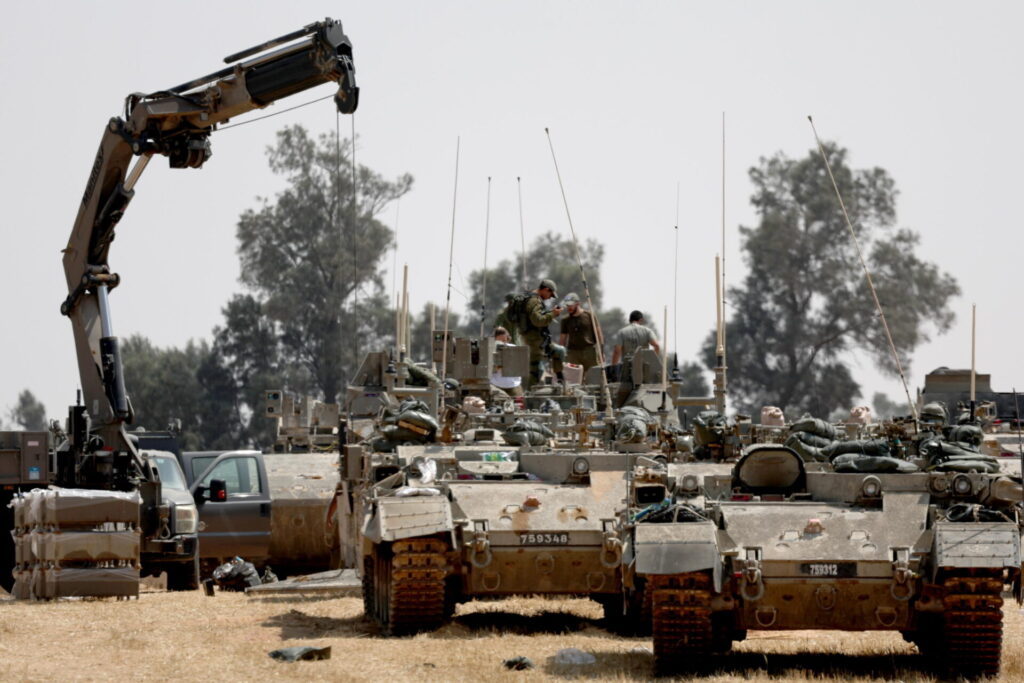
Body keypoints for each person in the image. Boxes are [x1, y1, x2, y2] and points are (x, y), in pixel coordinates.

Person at [518, 278, 563, 389]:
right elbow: (537, 320)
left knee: (558, 352)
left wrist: (550, 312)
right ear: (546, 290)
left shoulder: (532, 299)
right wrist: (552, 314)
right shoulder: (534, 301)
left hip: (537, 340)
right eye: (550, 295)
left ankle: (560, 379)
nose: (549, 298)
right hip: (533, 342)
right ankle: (530, 393)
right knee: (535, 371)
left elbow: (536, 317)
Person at [611, 310, 661, 406]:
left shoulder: (622, 332)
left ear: (630, 320)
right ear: (641, 320)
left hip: (627, 372)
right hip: (644, 370)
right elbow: (657, 346)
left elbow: (617, 351)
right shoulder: (647, 331)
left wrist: (614, 369)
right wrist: (652, 362)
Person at [558, 292, 601, 374]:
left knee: (593, 376)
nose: (569, 307)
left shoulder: (589, 316)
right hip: (573, 353)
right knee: (573, 378)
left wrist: (601, 351)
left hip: (589, 351)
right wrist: (560, 356)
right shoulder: (565, 320)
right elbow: (562, 339)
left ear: (577, 304)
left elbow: (598, 335)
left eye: (571, 305)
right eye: (567, 305)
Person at [490, 326, 523, 396]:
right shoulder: (490, 350)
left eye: (504, 340)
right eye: (499, 341)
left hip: (514, 384)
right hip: (496, 385)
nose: (503, 343)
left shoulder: (514, 348)